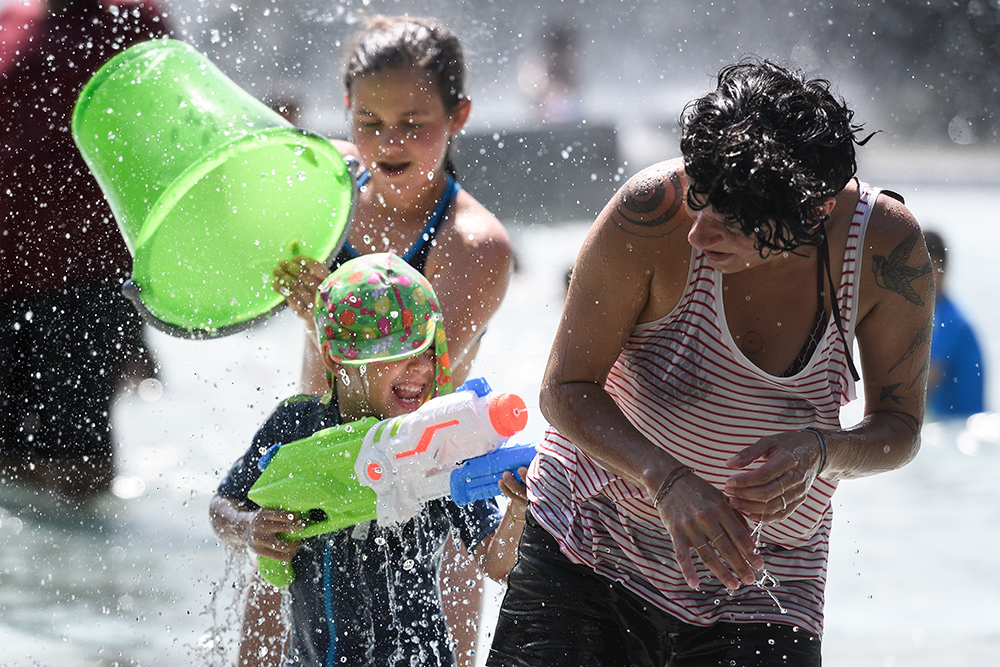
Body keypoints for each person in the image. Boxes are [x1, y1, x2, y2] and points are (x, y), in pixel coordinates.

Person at [488, 58, 934, 666]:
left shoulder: (884, 248)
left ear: (815, 210)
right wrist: (666, 479)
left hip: (765, 586)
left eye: (730, 220)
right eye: (701, 198)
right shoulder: (650, 214)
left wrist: (823, 451)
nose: (698, 233)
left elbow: (900, 431)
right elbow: (564, 388)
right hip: (589, 548)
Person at [263, 16, 514, 667]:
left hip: (429, 488)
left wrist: (323, 315)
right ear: (346, 110)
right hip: (311, 471)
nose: (389, 140)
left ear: (458, 114)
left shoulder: (473, 245)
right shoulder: (326, 187)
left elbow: (412, 376)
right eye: (369, 121)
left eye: (413, 121)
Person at [210, 253, 527, 667]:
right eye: (398, 352)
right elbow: (222, 506)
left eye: (427, 351)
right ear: (335, 358)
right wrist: (249, 528)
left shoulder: (443, 442)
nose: (418, 369)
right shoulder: (296, 427)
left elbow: (496, 561)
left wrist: (519, 508)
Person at [0, 0, 171, 505]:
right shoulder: (7, 17)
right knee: (9, 464)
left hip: (89, 282)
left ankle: (96, 583)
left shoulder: (134, 19)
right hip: (6, 281)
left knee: (81, 468)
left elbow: (176, 129)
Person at [923, 230, 985, 418]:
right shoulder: (939, 315)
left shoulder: (950, 322)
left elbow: (922, 385)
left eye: (922, 267)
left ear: (939, 267)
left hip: (959, 429)